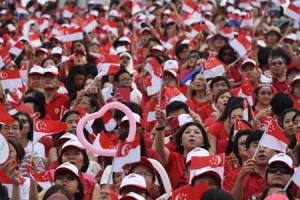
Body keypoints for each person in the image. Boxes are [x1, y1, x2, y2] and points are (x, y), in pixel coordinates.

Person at [154, 107, 210, 189]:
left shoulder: (210, 160)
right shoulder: (173, 158)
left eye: (197, 132)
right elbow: (160, 149)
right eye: (187, 132)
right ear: (180, 141)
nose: (192, 134)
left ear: (203, 141)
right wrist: (160, 126)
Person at [230, 130, 276, 200]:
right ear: (247, 152)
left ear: (274, 151)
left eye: (265, 146)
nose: (261, 150)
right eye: (256, 146)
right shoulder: (237, 176)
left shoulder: (281, 173)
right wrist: (240, 178)